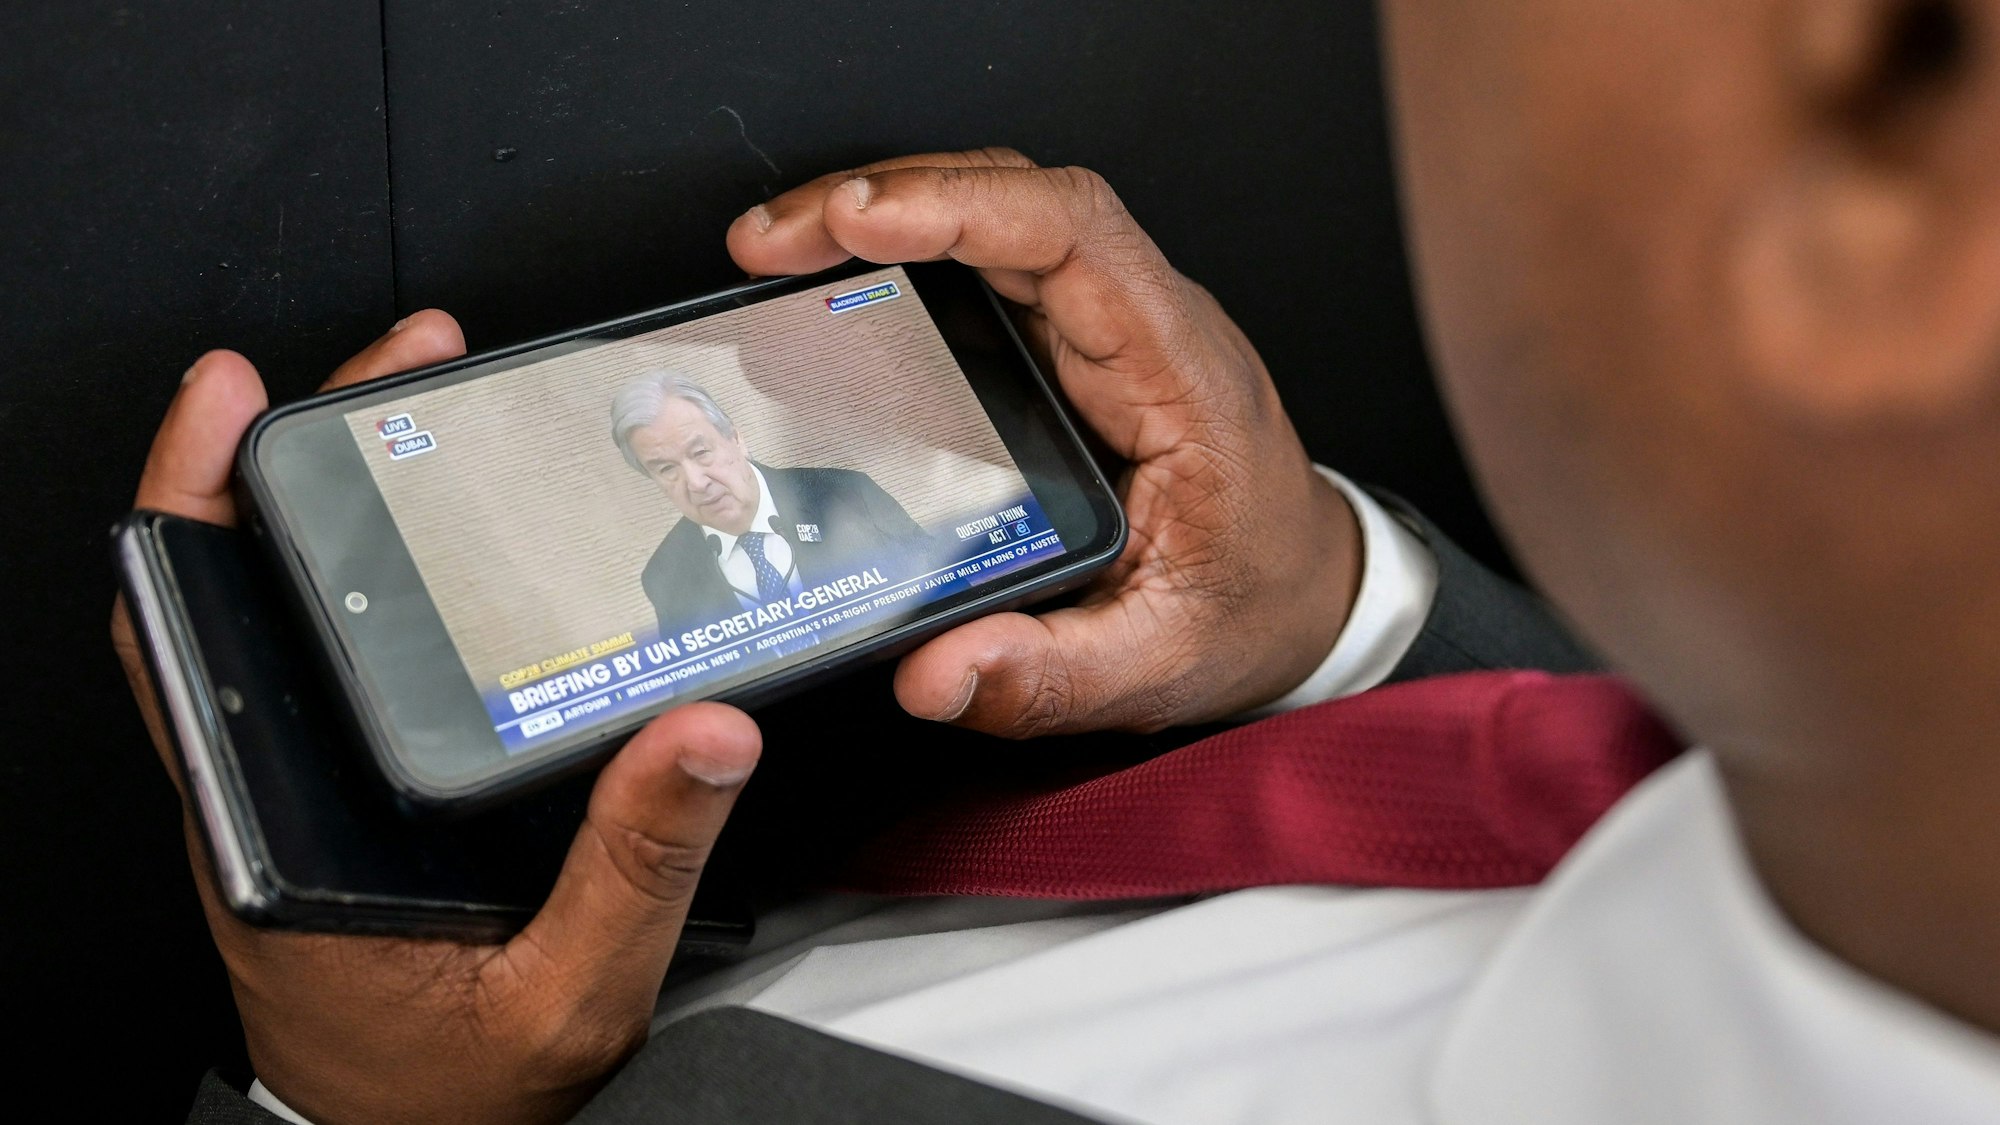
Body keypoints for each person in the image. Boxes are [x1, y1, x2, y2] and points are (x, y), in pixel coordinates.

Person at [117, 0, 2000, 1117]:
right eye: (665, 454)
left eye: (701, 434)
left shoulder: (877, 521)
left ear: (1878, 73)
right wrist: (1342, 628)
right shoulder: (688, 607)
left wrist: (350, 1118)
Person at [609, 370, 928, 643]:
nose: (695, 482)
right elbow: (701, 685)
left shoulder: (847, 493)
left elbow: (941, 581)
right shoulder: (666, 575)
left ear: (736, 438)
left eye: (701, 452)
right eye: (666, 469)